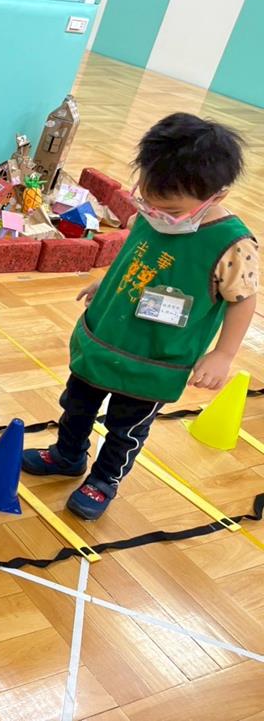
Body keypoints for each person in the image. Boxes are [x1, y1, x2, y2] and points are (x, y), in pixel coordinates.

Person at [23, 113, 256, 520]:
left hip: (155, 359)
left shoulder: (232, 244)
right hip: (105, 338)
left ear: (216, 195)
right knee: (76, 404)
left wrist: (223, 354)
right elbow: (137, 258)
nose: (154, 212)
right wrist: (106, 285)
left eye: (169, 208)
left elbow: (243, 300)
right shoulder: (152, 213)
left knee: (126, 428)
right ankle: (67, 455)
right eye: (147, 199)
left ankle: (103, 480)